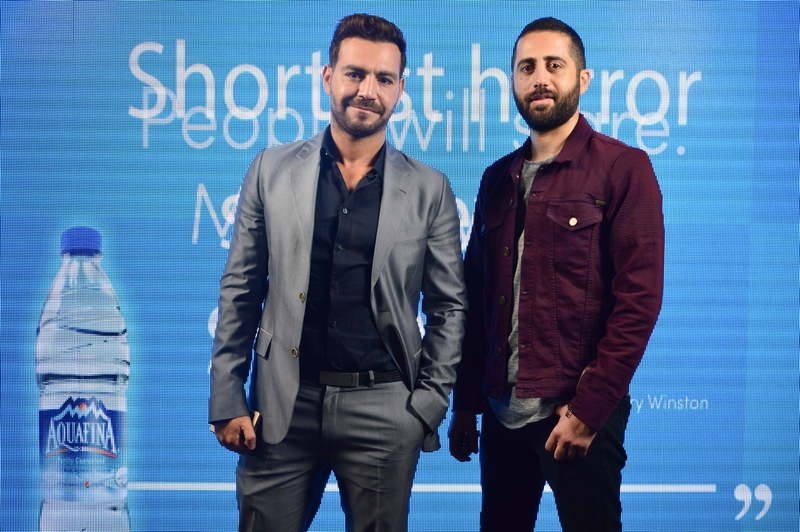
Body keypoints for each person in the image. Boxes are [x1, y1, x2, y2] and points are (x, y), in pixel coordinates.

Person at [208, 13, 467, 532]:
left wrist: (426, 405)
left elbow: (450, 307)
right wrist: (227, 395)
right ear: (328, 77)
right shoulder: (270, 169)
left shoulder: (430, 189)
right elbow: (241, 288)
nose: (367, 91)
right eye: (354, 74)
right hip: (282, 406)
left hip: (385, 410)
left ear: (400, 90)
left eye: (384, 79)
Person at [449, 17, 664, 532]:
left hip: (577, 414)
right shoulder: (495, 179)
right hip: (501, 414)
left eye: (554, 65)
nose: (540, 78)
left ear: (582, 79)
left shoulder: (624, 168)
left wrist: (588, 411)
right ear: (513, 82)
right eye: (527, 68)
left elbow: (638, 302)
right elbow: (476, 300)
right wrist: (465, 405)